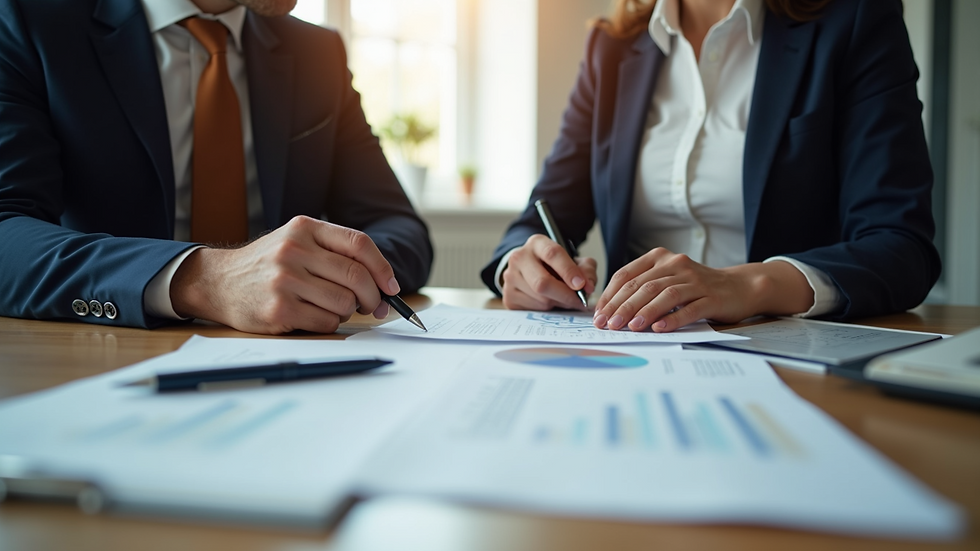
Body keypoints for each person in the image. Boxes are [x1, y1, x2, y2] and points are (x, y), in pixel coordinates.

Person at [481, 0, 940, 333]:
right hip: (633, 347)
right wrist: (519, 267)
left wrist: (749, 284)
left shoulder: (856, 20)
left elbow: (901, 248)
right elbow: (540, 219)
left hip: (788, 352)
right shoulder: (612, 47)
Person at [0, 0, 433, 334]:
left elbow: (397, 225)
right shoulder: (29, 21)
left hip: (285, 351)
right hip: (106, 352)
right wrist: (201, 280)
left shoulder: (318, 53)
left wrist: (325, 271)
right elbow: (7, 230)